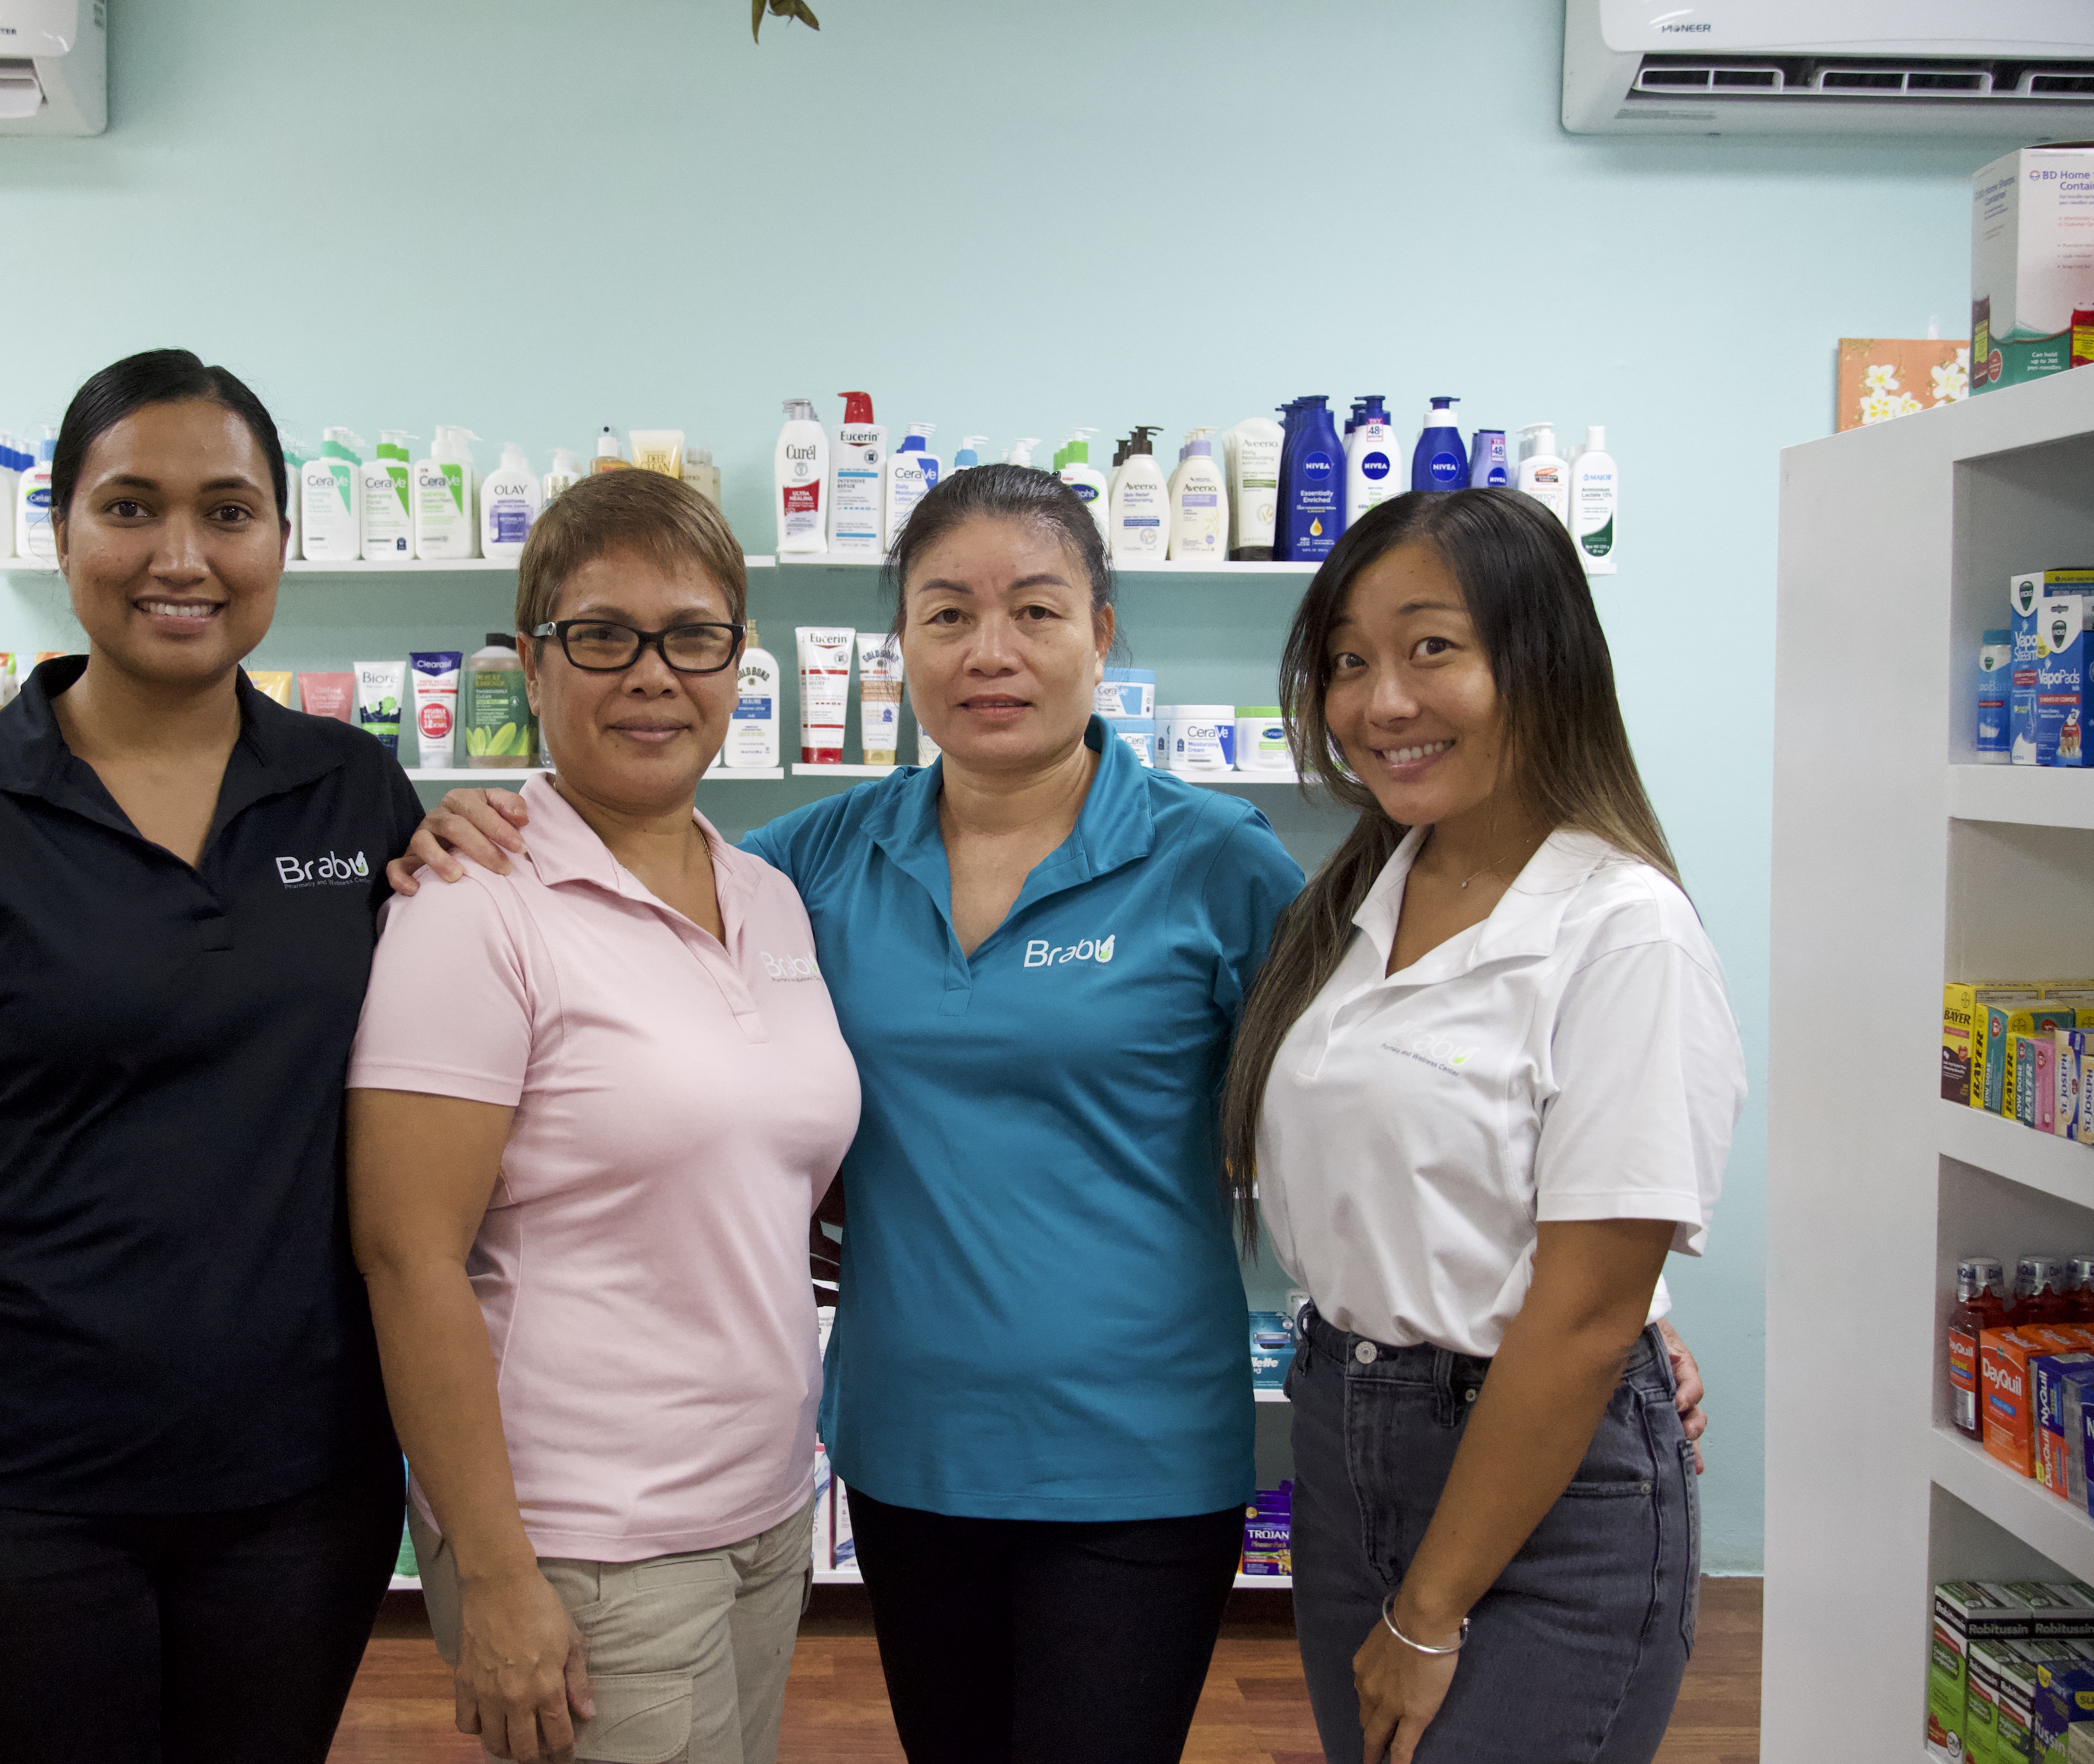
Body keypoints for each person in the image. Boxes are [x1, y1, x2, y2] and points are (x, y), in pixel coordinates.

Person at [400, 463, 1309, 1764]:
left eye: (1036, 611)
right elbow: (640, 900)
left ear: (1102, 632)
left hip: (1138, 1458)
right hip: (905, 1448)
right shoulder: (809, 864)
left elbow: (1338, 1118)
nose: (990, 652)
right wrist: (477, 826)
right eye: (946, 615)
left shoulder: (1220, 863)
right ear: (901, 648)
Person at [0, 349, 423, 1764]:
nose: (180, 557)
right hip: (8, 1486)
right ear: (61, 531)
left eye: (228, 512)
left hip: (299, 1485)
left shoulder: (357, 791)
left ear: (281, 539)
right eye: (131, 508)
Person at [345, 469, 861, 1764]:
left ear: (738, 662)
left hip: (762, 1506)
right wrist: (496, 1571)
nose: (652, 676)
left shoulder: (768, 895)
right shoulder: (475, 905)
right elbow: (406, 1257)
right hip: (582, 1540)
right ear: (531, 664)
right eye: (601, 637)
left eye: (693, 638)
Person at [1220, 488, 1743, 1764]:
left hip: (1540, 1488)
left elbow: (1582, 1317)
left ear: (1541, 657)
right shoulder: (1355, 902)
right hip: (1346, 1436)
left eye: (1432, 648)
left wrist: (1430, 1610)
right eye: (1349, 662)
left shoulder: (1622, 928)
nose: (1382, 702)